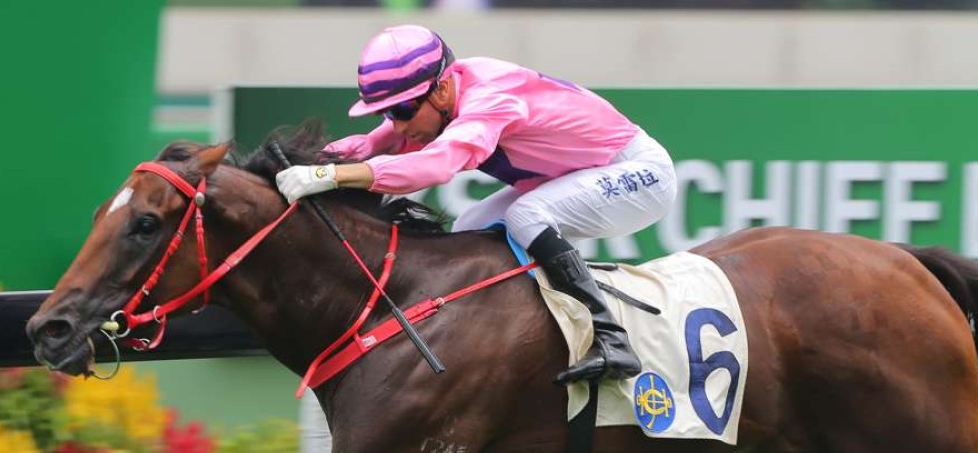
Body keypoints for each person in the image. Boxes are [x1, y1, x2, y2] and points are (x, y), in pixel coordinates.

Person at [275, 24, 677, 386]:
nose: (396, 124)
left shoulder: (489, 99)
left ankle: (610, 337)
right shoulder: (441, 93)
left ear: (443, 90)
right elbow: (374, 143)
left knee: (526, 215)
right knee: (471, 224)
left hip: (640, 174)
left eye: (401, 111)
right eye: (386, 112)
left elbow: (436, 164)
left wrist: (333, 177)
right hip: (573, 176)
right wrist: (311, 161)